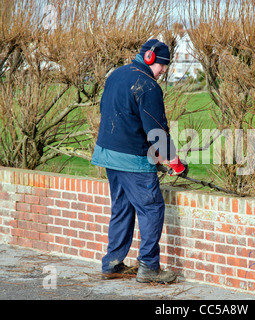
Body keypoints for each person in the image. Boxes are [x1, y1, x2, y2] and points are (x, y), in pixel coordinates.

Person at [91, 39, 188, 283]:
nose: (163, 71)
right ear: (149, 59)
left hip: (108, 154)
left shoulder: (117, 74)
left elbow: (118, 116)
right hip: (132, 161)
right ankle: (149, 268)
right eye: (162, 66)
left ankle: (112, 263)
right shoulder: (148, 86)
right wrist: (175, 163)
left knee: (122, 208)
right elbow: (157, 131)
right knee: (152, 208)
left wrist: (153, 154)